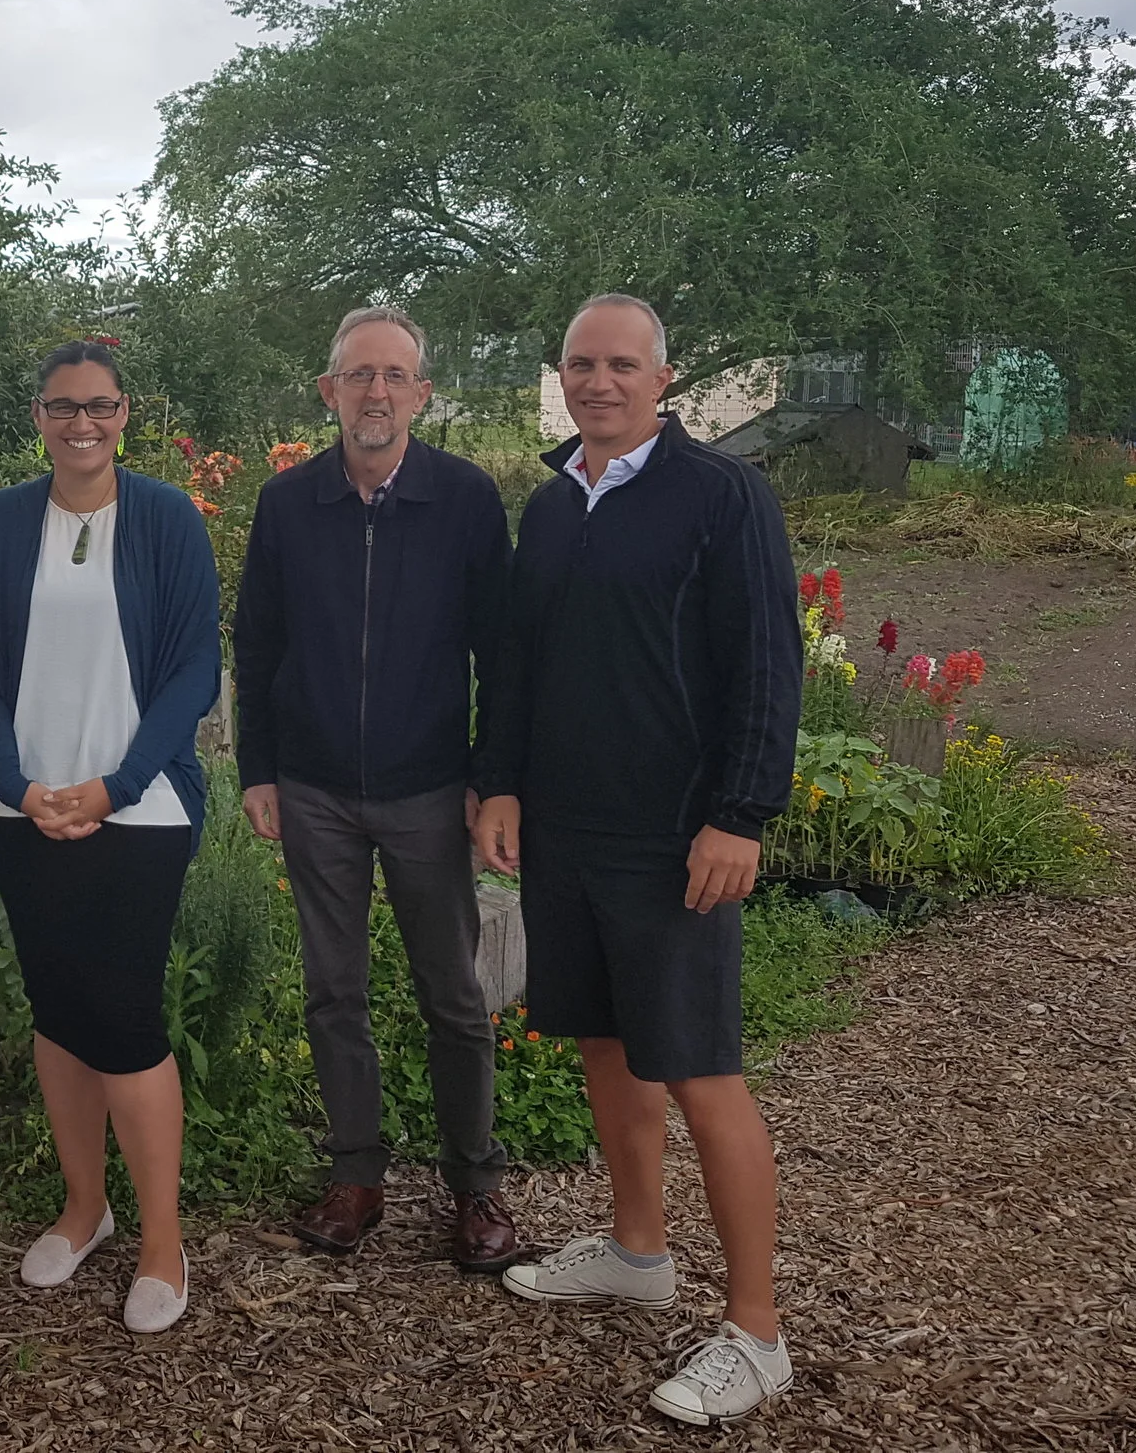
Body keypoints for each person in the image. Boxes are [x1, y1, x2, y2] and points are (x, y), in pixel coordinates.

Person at [474, 293, 803, 1427]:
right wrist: (500, 780)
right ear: (560, 377)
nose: (598, 381)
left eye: (621, 364)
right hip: (567, 829)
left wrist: (741, 814)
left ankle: (757, 1332)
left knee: (700, 1071)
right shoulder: (551, 502)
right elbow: (518, 659)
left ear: (662, 379)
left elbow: (766, 661)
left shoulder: (721, 495)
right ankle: (636, 1250)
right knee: (606, 1046)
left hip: (675, 838)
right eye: (581, 364)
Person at [233, 305, 526, 1272]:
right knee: (335, 990)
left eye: (396, 375)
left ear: (422, 394)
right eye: (360, 374)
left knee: (453, 994)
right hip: (314, 788)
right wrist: (259, 767)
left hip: (427, 791)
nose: (376, 392)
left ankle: (475, 1184)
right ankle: (356, 1176)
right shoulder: (288, 503)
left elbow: (503, 657)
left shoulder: (464, 499)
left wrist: (493, 781)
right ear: (329, 391)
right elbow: (258, 645)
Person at [0, 341, 222, 1335]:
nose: (81, 424)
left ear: (124, 413)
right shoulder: (4, 520)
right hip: (23, 810)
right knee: (58, 1008)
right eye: (62, 407)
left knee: (125, 1016)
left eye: (98, 406)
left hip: (139, 811)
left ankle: (161, 1240)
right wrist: (17, 785)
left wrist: (115, 786)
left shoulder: (167, 519)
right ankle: (84, 1208)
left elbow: (194, 668)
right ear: (38, 417)